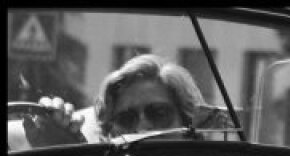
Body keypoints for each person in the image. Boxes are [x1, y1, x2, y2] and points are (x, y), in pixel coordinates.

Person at [24, 53, 231, 147]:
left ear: (188, 125)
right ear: (110, 133)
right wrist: (59, 148)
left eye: (158, 113)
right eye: (126, 119)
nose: (142, 126)